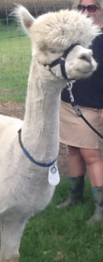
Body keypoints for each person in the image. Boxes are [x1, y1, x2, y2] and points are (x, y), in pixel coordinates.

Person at [58, 0, 103, 224]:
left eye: (92, 7)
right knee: (73, 150)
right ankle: (74, 197)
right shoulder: (74, 38)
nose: (86, 12)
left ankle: (100, 210)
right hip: (69, 102)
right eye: (81, 8)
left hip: (93, 105)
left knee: (92, 155)